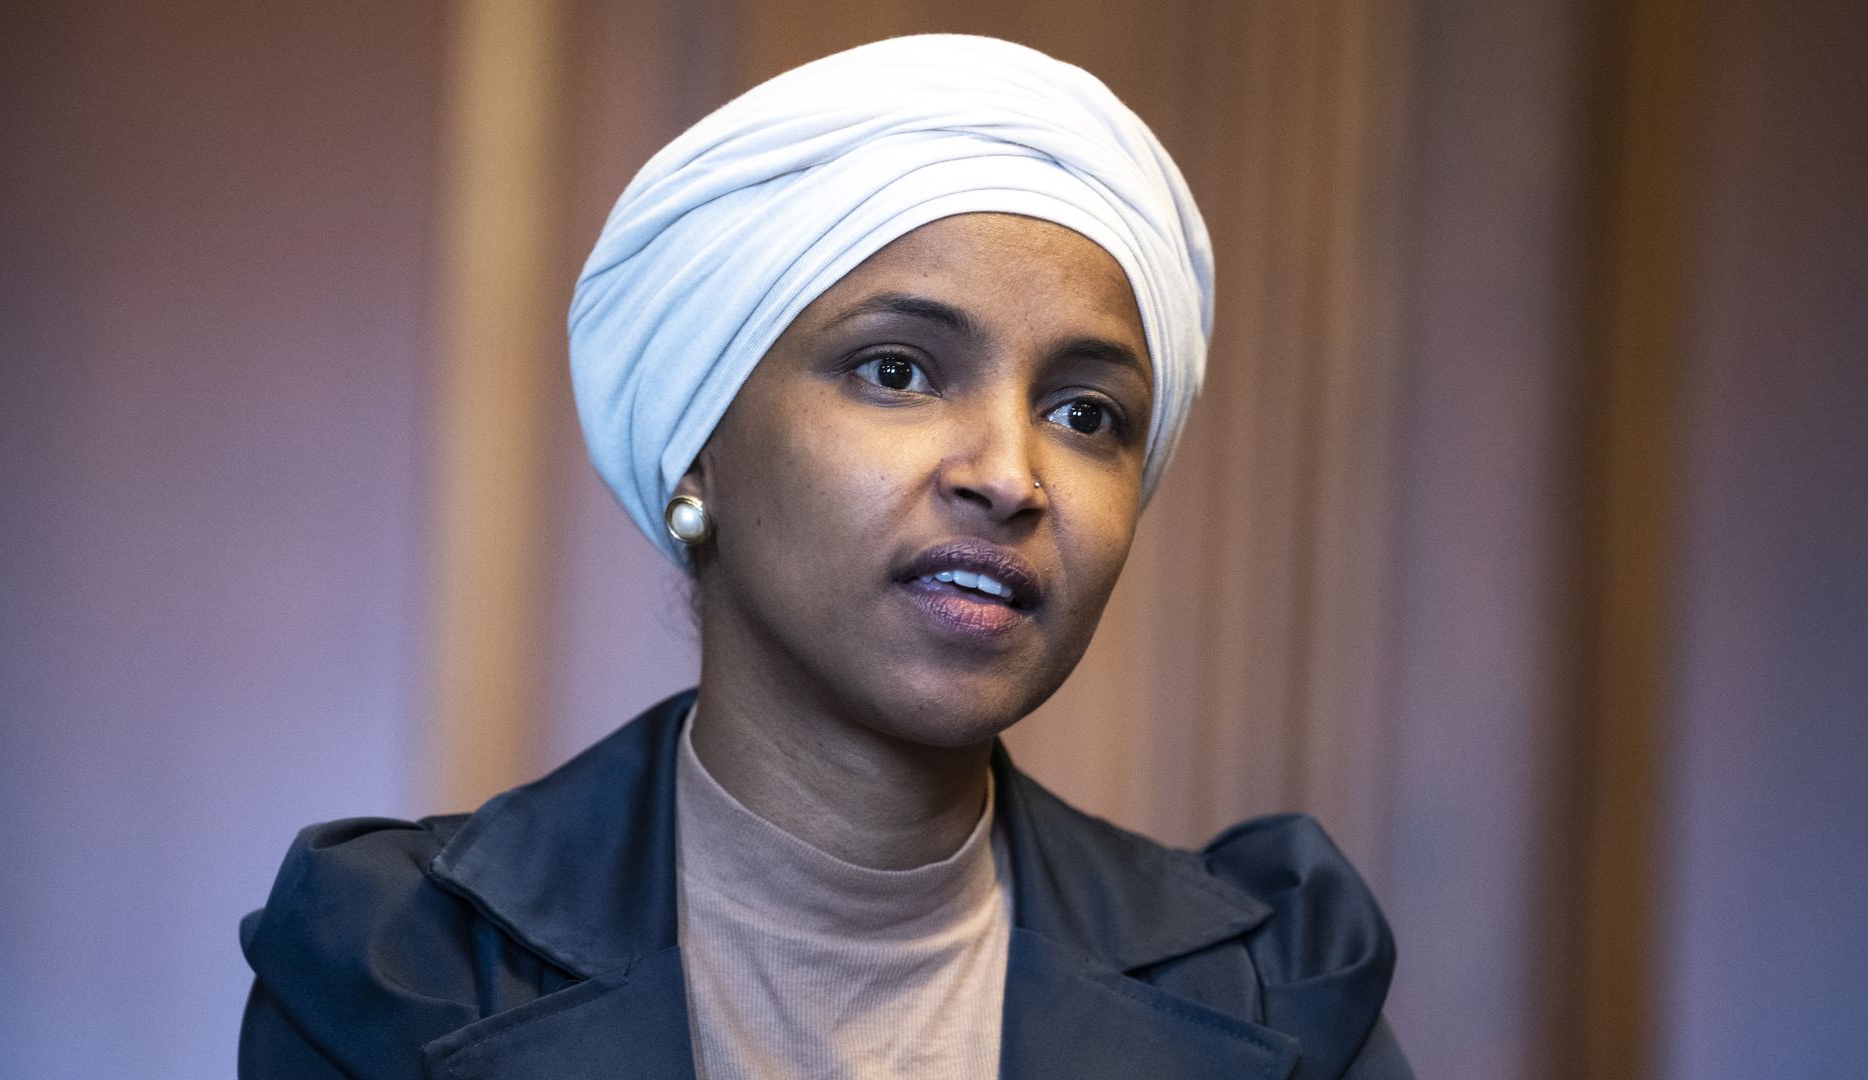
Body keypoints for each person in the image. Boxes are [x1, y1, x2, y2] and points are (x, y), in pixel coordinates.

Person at [239, 34, 1415, 1080]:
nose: (1009, 474)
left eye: (1086, 414)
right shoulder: (394, 964)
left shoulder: (1281, 981)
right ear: (698, 447)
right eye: (896, 371)